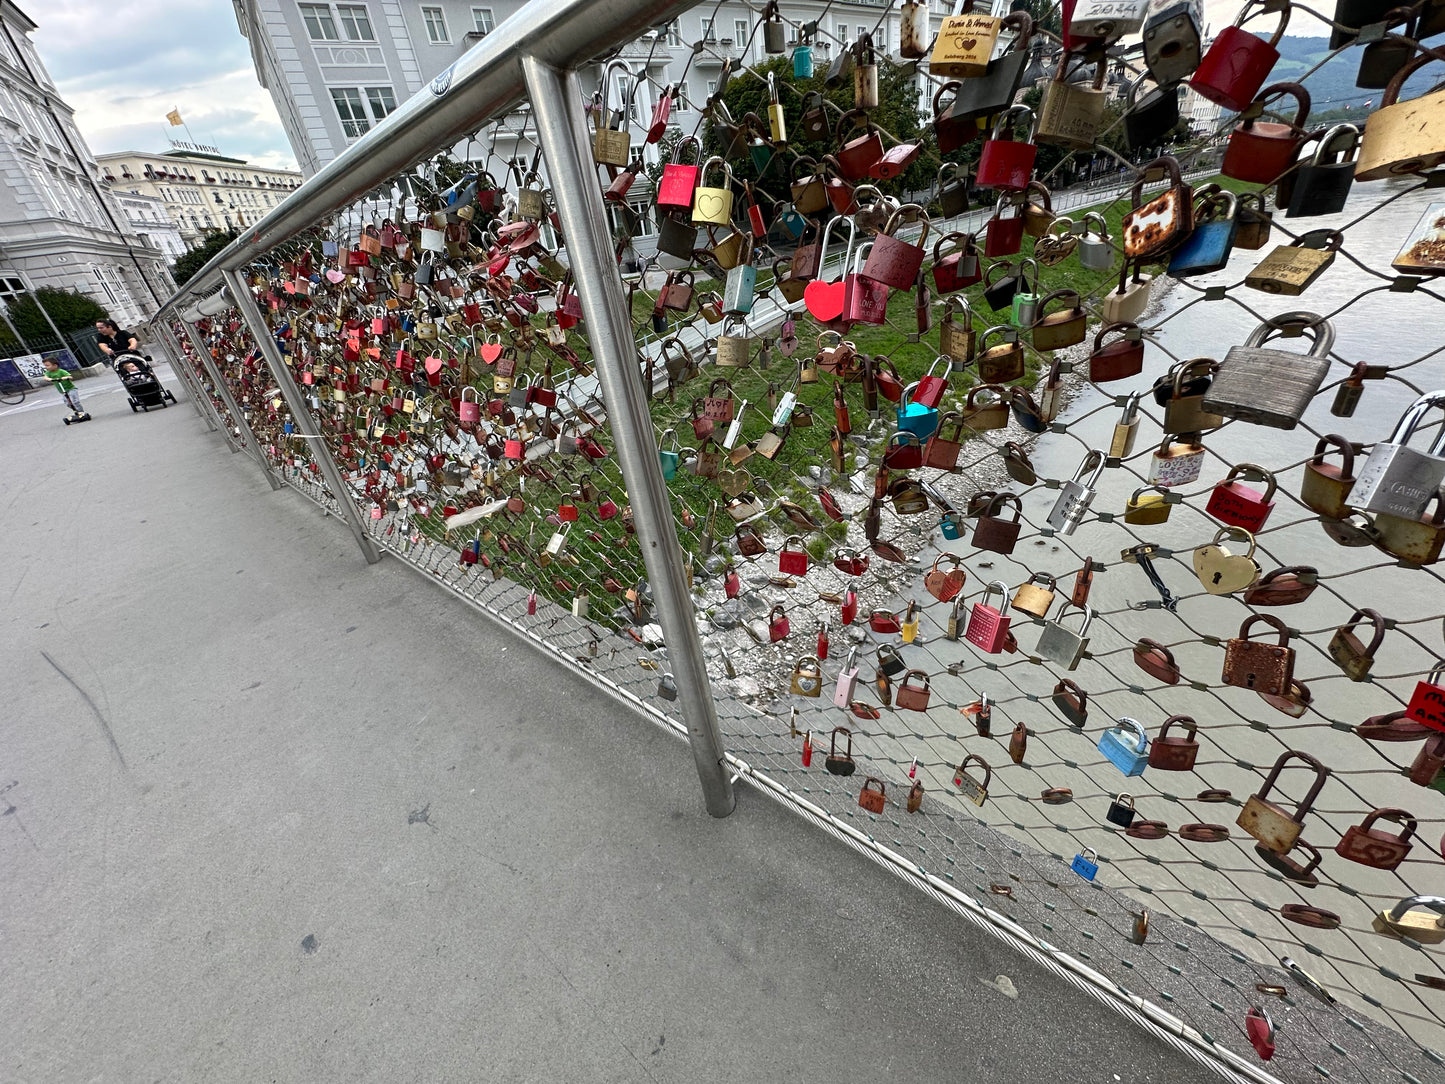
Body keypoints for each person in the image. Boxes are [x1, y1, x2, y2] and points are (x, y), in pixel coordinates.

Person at [42, 357, 89, 422]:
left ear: (55, 365)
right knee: (68, 403)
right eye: (45, 366)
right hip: (62, 391)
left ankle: (81, 412)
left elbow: (70, 377)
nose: (46, 367)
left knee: (75, 401)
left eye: (47, 365)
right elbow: (45, 377)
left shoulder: (61, 371)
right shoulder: (48, 373)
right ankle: (76, 412)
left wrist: (65, 377)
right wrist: (48, 379)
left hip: (71, 389)